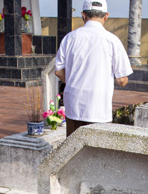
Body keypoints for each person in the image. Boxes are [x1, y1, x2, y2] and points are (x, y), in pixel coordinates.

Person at [54, 0, 132, 137]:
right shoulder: (112, 41)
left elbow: (58, 71)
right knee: (97, 146)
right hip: (98, 106)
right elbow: (121, 80)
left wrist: (74, 80)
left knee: (73, 144)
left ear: (83, 15)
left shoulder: (70, 38)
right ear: (106, 16)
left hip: (74, 103)